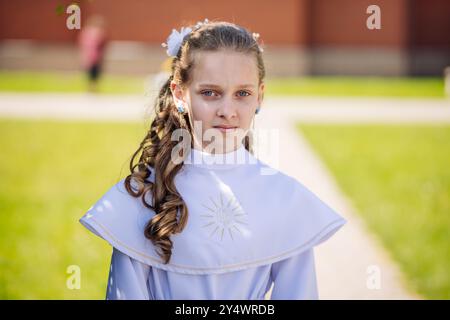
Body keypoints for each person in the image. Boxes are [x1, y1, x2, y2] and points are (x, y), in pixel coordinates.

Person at [79, 18, 347, 300]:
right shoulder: (143, 195)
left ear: (260, 97)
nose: (228, 110)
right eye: (210, 93)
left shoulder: (285, 199)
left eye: (242, 93)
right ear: (180, 93)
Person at [78, 15, 107, 93]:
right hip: (95, 56)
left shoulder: (86, 32)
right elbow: (100, 43)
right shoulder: (97, 32)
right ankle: (93, 88)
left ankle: (91, 88)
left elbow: (82, 43)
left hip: (89, 56)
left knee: (90, 73)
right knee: (94, 73)